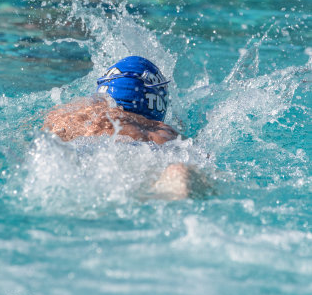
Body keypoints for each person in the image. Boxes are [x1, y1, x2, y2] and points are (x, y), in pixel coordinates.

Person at [43, 56, 209, 199]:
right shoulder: (164, 133)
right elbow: (206, 160)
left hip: (86, 172)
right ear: (159, 104)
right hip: (141, 171)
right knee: (179, 173)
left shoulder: (75, 117)